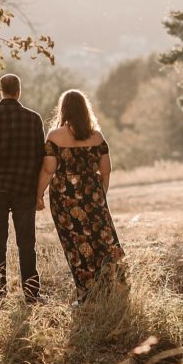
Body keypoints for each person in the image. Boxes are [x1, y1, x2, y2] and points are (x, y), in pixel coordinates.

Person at [37, 89, 125, 304]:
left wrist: (38, 195)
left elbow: (49, 170)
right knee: (102, 239)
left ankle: (86, 294)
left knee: (75, 244)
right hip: (93, 195)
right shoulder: (97, 137)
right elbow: (106, 170)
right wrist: (100, 195)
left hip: (64, 199)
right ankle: (113, 286)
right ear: (86, 110)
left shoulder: (55, 136)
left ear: (64, 109)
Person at [0, 74, 46, 305]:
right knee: (27, 243)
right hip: (24, 188)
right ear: (19, 91)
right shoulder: (33, 119)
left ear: (1, 90)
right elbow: (40, 157)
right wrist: (38, 190)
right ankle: (31, 295)